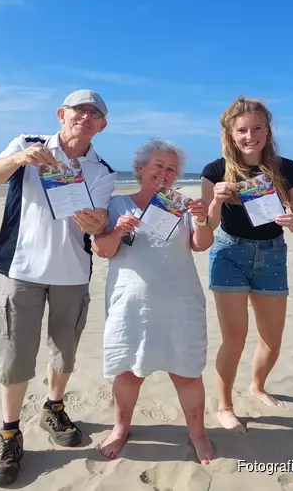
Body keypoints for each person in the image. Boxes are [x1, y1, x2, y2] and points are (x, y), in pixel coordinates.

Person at [0, 89, 116, 486]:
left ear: (102, 125)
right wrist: (20, 159)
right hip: (22, 268)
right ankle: (9, 432)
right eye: (78, 110)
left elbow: (101, 222)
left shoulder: (102, 171)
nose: (85, 117)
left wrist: (96, 225)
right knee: (15, 353)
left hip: (72, 271)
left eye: (95, 113)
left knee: (65, 350)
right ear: (61, 114)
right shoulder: (27, 145)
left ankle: (53, 407)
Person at [91, 139, 215, 464]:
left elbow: (201, 246)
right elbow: (102, 250)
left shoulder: (182, 205)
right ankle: (120, 428)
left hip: (180, 304)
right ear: (141, 169)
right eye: (158, 165)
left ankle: (198, 434)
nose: (164, 172)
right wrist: (116, 231)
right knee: (128, 372)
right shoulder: (116, 204)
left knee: (187, 373)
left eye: (171, 168)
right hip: (131, 307)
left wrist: (201, 219)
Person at [200, 96, 293, 433]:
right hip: (228, 254)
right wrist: (216, 201)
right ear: (231, 134)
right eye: (243, 130)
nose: (251, 136)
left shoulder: (287, 169)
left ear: (268, 129)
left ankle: (257, 386)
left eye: (257, 128)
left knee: (271, 339)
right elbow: (207, 230)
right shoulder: (214, 171)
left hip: (272, 254)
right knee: (234, 338)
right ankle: (224, 405)